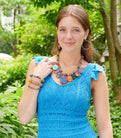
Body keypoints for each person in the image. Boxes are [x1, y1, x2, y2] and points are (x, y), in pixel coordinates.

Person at [18, 4, 113, 138]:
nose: (68, 36)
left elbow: (105, 127)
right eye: (63, 30)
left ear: (86, 33)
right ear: (57, 31)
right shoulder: (38, 66)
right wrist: (36, 79)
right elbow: (24, 118)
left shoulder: (94, 74)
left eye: (76, 30)